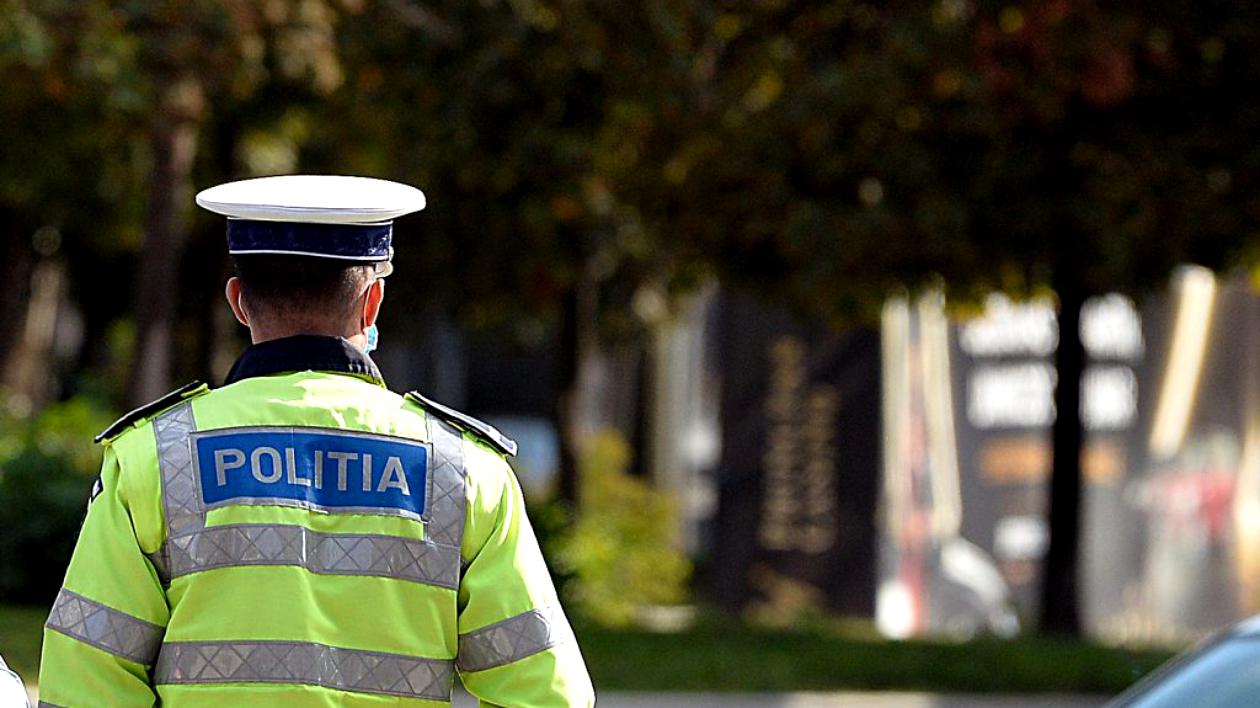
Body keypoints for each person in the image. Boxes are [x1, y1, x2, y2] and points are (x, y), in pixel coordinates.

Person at [39, 175, 595, 707]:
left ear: (238, 300)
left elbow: (87, 681)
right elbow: (547, 695)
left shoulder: (153, 456)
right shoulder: (465, 469)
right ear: (372, 302)